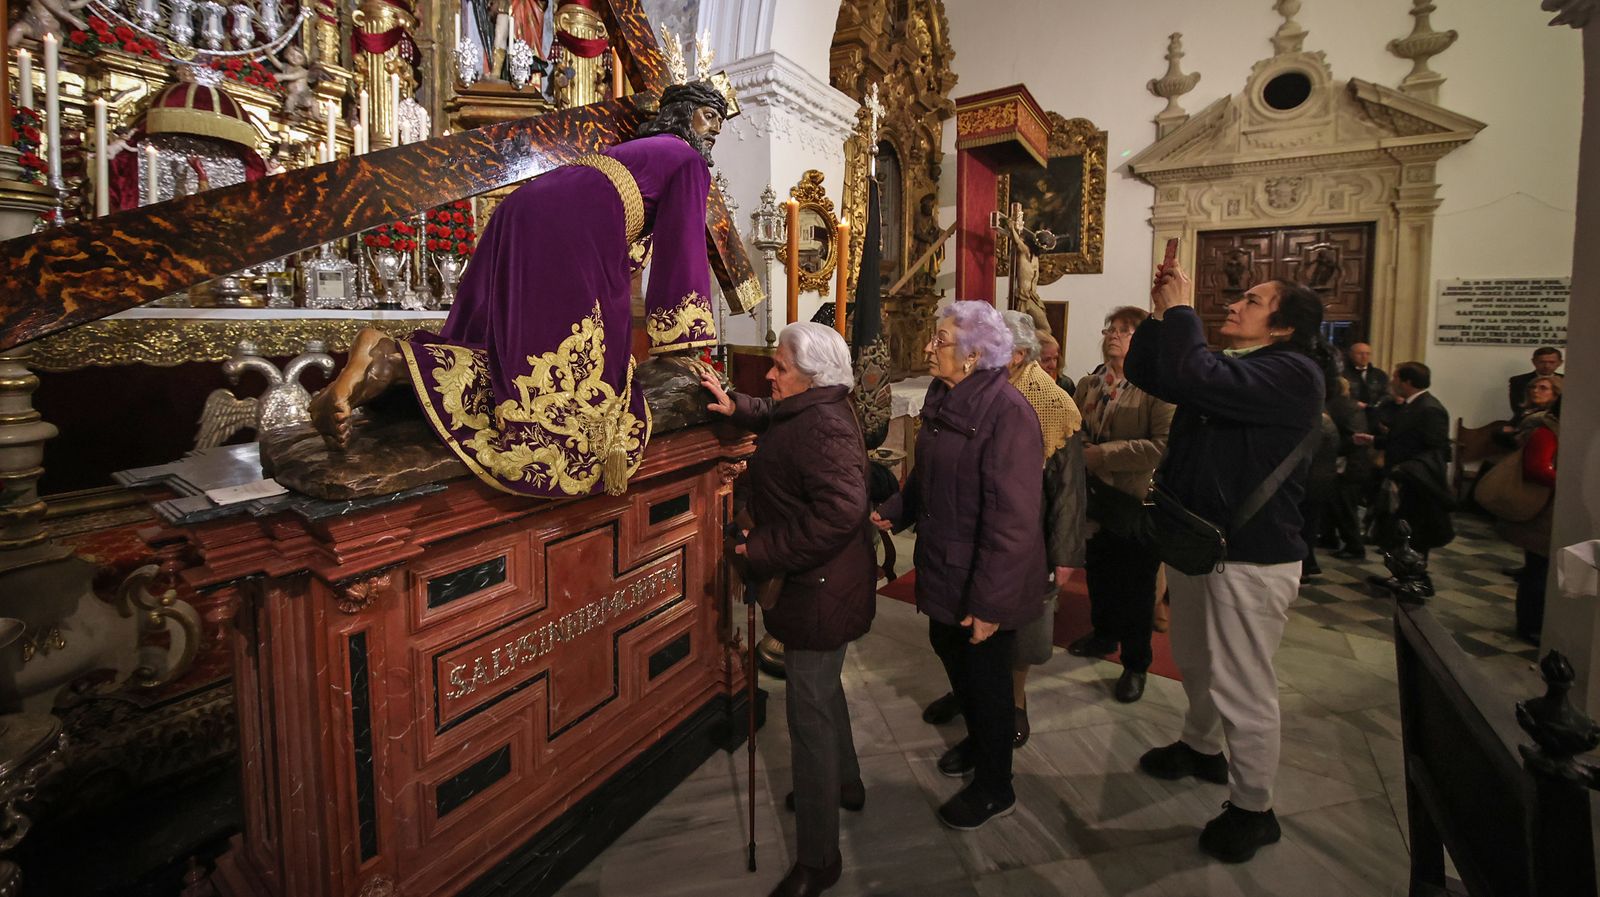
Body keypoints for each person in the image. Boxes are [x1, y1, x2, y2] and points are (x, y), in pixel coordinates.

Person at [309, 81, 729, 498]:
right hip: (578, 222)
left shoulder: (637, 152)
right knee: (579, 385)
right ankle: (385, 360)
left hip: (526, 206)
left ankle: (387, 361)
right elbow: (683, 248)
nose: (714, 130)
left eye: (720, 122)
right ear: (680, 112)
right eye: (709, 115)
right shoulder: (686, 158)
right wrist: (682, 349)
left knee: (509, 355)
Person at [1126, 264, 1326, 864]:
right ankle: (1200, 746)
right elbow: (1150, 371)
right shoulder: (1234, 367)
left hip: (1252, 555)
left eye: (1253, 300)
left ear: (1284, 327)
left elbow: (1191, 370)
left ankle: (1254, 808)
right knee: (1195, 658)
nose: (1235, 304)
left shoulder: (1295, 373)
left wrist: (1184, 309)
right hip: (1200, 543)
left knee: (1244, 682)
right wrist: (1162, 313)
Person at [700, 323, 874, 897]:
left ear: (812, 376)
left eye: (779, 366)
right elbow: (778, 417)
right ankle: (845, 785)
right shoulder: (812, 407)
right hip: (823, 585)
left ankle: (819, 859)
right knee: (823, 692)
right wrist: (738, 405)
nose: (770, 374)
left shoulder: (824, 425)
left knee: (810, 717)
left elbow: (839, 514)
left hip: (819, 589)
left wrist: (760, 549)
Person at [872, 300, 1046, 831]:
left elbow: (1013, 520)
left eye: (940, 340)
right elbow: (926, 477)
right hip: (947, 562)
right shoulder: (943, 399)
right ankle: (978, 740)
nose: (928, 347)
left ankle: (997, 786)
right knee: (949, 649)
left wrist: (990, 603)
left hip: (984, 576)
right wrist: (893, 512)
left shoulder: (1008, 414)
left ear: (972, 356)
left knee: (988, 678)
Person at [1067, 306, 1173, 703]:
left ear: (1144, 341)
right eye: (1111, 328)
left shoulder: (1157, 387)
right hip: (1094, 497)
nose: (1114, 334)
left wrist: (1104, 455)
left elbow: (1164, 446)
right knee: (1099, 571)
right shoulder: (1091, 383)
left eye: (1126, 330)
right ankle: (1102, 634)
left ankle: (1135, 662)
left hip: (1134, 499)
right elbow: (1072, 427)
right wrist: (1081, 450)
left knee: (1136, 585)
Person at [1355, 362, 1455, 576]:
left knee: (1415, 531)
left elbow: (1436, 447)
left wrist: (1407, 467)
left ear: (1407, 382)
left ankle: (1414, 578)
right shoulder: (1412, 405)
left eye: (1395, 378)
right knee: (1401, 529)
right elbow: (1402, 439)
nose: (1392, 382)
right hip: (1403, 478)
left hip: (1415, 482)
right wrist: (1374, 440)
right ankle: (1402, 575)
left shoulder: (1430, 408)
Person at [1493, 378, 1559, 644]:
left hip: (1549, 504)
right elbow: (1536, 468)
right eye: (1535, 387)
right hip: (1542, 504)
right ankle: (1530, 625)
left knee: (1541, 568)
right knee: (1538, 570)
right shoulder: (1546, 428)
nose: (1536, 391)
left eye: (1543, 388)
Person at [1508, 347, 1564, 419]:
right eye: (1542, 362)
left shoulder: (1567, 381)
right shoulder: (1518, 381)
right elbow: (1517, 407)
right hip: (1527, 420)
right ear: (1534, 361)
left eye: (1551, 362)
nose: (1546, 366)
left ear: (1560, 363)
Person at [1342, 342, 1387, 410]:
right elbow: (1338, 395)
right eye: (1360, 353)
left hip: (1374, 412)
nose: (1364, 356)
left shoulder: (1379, 374)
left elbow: (1387, 393)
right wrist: (1354, 403)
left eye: (1367, 354)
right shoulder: (1343, 373)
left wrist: (1377, 405)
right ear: (1351, 355)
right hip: (1350, 411)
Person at [1037, 331, 1075, 398]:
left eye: (1055, 358)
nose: (1053, 365)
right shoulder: (1020, 385)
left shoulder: (1065, 384)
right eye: (1046, 360)